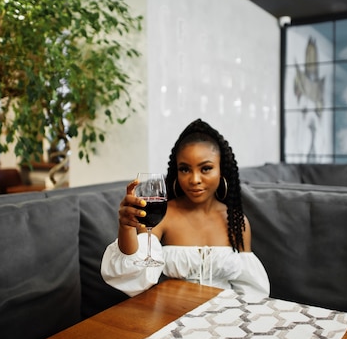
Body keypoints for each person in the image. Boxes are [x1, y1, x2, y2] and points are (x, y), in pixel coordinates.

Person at [101, 119, 270, 298]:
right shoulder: (163, 215)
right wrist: (126, 228)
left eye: (205, 168)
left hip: (225, 315)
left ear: (222, 171)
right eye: (185, 169)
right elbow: (135, 271)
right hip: (174, 314)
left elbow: (251, 290)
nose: (194, 179)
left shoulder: (236, 222)